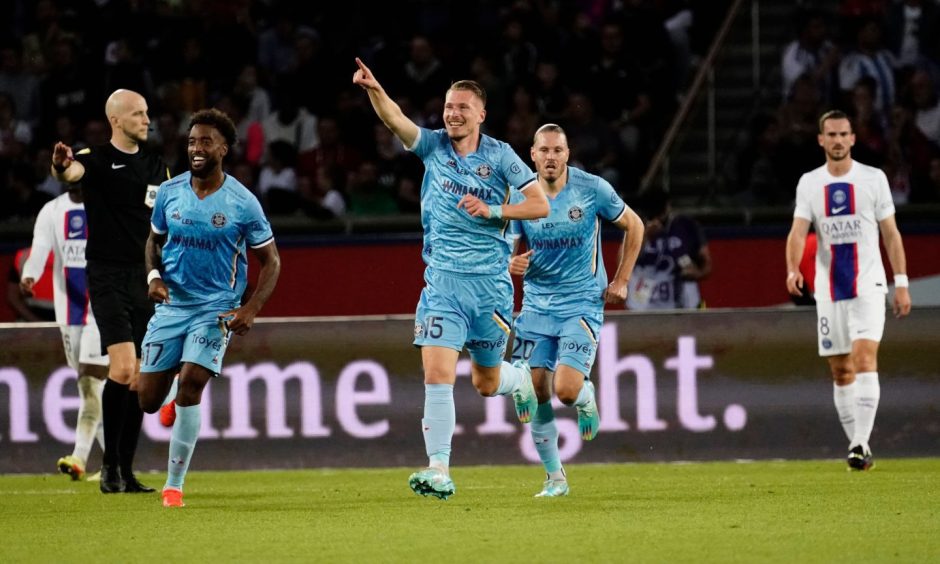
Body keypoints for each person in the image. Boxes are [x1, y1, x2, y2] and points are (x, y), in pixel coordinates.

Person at [353, 57, 550, 500]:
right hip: (443, 283)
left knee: (485, 382)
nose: (453, 114)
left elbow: (540, 206)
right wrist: (374, 88)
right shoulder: (433, 146)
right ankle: (439, 468)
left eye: (462, 107)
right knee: (438, 374)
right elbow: (396, 120)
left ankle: (517, 381)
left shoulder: (501, 157)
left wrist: (494, 210)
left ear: (481, 114)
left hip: (491, 287)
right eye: (448, 106)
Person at [136, 109, 281, 508]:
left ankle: (173, 485)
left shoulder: (242, 203)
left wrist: (250, 308)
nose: (196, 149)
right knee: (146, 401)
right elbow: (154, 241)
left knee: (192, 384)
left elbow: (272, 261)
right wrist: (153, 277)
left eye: (205, 142)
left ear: (224, 149)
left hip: (216, 308)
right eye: (191, 141)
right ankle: (167, 403)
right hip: (173, 305)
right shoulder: (169, 193)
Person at [508, 124, 644, 497]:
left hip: (582, 301)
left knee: (565, 391)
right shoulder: (519, 196)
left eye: (558, 150)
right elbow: (503, 247)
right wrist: (510, 265)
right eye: (544, 151)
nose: (551, 157)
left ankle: (586, 397)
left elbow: (635, 225)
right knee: (536, 388)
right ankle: (555, 478)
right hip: (536, 303)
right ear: (532, 155)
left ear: (567, 154)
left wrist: (621, 280)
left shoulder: (592, 189)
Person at [50, 89, 170, 494]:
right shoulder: (95, 159)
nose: (146, 119)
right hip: (106, 276)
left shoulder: (158, 167)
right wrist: (60, 165)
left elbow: (173, 217)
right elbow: (70, 174)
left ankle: (124, 470)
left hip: (147, 278)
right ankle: (109, 466)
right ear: (116, 120)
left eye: (147, 113)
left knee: (139, 380)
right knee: (121, 370)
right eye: (137, 114)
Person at [785, 109, 912, 471]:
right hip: (828, 290)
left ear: (853, 138)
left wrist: (900, 283)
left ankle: (858, 445)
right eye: (831, 134)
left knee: (864, 359)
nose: (838, 140)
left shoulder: (873, 179)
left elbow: (891, 234)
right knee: (841, 371)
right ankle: (859, 445)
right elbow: (798, 231)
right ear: (821, 139)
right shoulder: (809, 183)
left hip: (869, 286)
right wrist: (793, 268)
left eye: (844, 134)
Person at [20, 184, 108, 480]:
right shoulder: (53, 210)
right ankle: (114, 464)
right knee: (94, 389)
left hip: (103, 310)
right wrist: (30, 273)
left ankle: (80, 457)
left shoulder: (105, 205)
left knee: (88, 382)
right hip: (69, 311)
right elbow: (41, 247)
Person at [627, 189, 711, 310]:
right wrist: (645, 236)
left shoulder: (685, 226)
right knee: (645, 323)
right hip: (644, 295)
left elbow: (707, 264)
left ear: (668, 207)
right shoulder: (635, 226)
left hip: (680, 300)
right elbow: (623, 262)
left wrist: (697, 273)